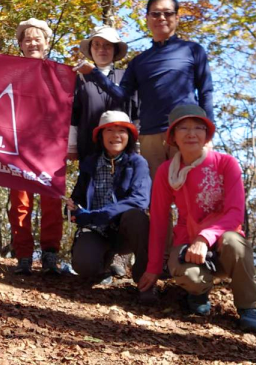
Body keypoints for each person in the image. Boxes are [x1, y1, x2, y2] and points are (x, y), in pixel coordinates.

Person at [137, 104, 256, 332]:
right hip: (187, 242)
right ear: (173, 137)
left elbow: (235, 213)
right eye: (183, 128)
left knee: (235, 243)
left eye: (198, 128)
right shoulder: (167, 171)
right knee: (192, 278)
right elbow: (158, 220)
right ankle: (198, 293)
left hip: (223, 242)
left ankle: (249, 307)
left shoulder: (226, 163)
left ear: (206, 135)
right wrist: (153, 267)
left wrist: (204, 238)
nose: (191, 133)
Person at [75, 0, 213, 178]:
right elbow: (121, 95)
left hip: (186, 130)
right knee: (156, 196)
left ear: (177, 17)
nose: (161, 18)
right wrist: (94, 73)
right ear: (147, 18)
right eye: (155, 14)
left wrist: (208, 132)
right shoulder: (139, 62)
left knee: (192, 190)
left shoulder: (192, 50)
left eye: (168, 13)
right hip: (150, 137)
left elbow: (206, 91)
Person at [66, 111, 154, 303]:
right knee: (84, 265)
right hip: (96, 230)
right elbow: (79, 195)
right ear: (100, 136)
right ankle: (102, 267)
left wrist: (98, 215)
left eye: (121, 130)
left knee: (137, 217)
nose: (116, 135)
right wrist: (74, 208)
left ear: (129, 136)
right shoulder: (90, 163)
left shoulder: (137, 163)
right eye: (110, 130)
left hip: (125, 230)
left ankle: (145, 282)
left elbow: (139, 200)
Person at [9, 19, 64, 274]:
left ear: (46, 42)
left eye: (37, 38)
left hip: (51, 148)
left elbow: (69, 108)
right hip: (18, 146)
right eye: (27, 39)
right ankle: (23, 255)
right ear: (20, 45)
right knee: (20, 202)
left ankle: (50, 254)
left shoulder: (59, 73)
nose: (32, 43)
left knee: (52, 200)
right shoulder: (10, 71)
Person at [69, 26, 137, 162]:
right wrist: (72, 147)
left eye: (107, 45)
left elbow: (135, 112)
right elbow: (73, 116)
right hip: (88, 149)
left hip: (123, 151)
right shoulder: (79, 79)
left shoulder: (125, 77)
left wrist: (138, 144)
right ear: (90, 49)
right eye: (97, 45)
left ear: (115, 50)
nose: (102, 49)